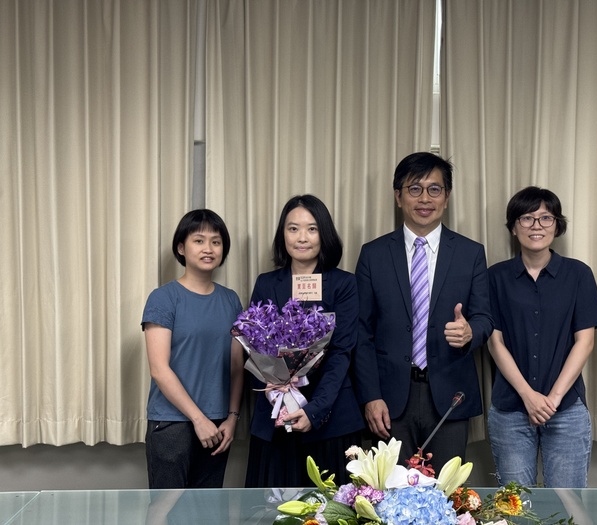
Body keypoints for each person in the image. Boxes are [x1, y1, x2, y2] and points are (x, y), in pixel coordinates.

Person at [354, 152, 494, 472]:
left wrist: (471, 332)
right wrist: (370, 396)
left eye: (434, 189)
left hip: (449, 395)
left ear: (447, 197)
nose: (424, 198)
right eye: (414, 189)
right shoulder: (373, 255)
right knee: (390, 498)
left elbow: (485, 318)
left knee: (445, 497)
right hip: (389, 399)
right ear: (398, 196)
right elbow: (361, 333)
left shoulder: (470, 253)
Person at [487, 186, 597, 488]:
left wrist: (551, 400)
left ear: (557, 225)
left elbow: (585, 341)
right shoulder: (495, 277)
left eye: (545, 218)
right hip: (511, 409)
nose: (536, 226)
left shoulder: (579, 274)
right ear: (514, 227)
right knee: (515, 506)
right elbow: (494, 342)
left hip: (566, 408)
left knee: (566, 506)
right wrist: (529, 396)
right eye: (527, 218)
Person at [244, 194, 365, 488]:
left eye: (312, 229)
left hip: (331, 419)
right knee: (272, 514)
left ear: (325, 234)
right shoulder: (266, 282)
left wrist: (315, 410)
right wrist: (277, 393)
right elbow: (255, 346)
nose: (302, 238)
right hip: (277, 418)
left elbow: (340, 354)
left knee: (332, 513)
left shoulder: (344, 284)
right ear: (282, 234)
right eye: (293, 228)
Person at [142, 209, 244, 488]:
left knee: (206, 512)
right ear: (181, 247)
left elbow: (237, 367)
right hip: (172, 422)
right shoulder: (163, 298)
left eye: (216, 241)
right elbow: (159, 369)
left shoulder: (231, 300)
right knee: (164, 509)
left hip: (218, 422)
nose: (208, 248)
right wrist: (198, 419)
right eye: (199, 241)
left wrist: (233, 418)